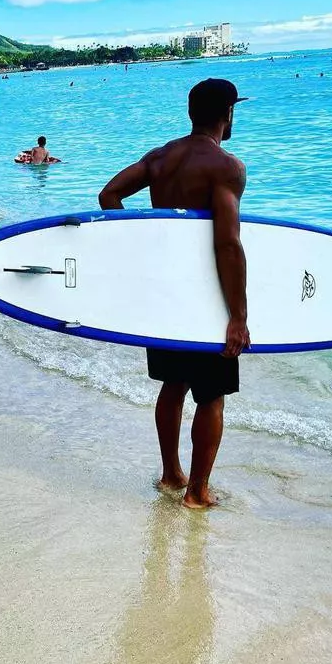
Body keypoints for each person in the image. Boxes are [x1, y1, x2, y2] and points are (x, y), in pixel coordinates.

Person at [97, 78, 249, 509]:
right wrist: (237, 316)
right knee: (212, 396)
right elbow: (228, 244)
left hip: (163, 295)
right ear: (228, 114)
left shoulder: (160, 157)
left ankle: (171, 474)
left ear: (190, 112)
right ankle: (198, 493)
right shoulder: (227, 167)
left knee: (174, 384)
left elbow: (109, 194)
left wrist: (147, 244)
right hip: (203, 298)